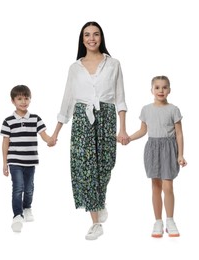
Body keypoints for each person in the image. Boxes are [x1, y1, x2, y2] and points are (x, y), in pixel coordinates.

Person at [48, 21, 129, 240]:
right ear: (82, 39)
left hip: (107, 117)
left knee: (105, 165)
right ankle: (95, 222)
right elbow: (67, 100)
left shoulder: (113, 64)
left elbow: (120, 98)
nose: (91, 38)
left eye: (95, 34)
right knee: (85, 169)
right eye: (87, 35)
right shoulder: (75, 67)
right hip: (82, 120)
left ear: (101, 37)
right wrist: (56, 132)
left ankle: (99, 200)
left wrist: (123, 128)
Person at [127, 75, 187, 238]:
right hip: (152, 148)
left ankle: (170, 220)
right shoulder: (146, 109)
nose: (161, 90)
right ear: (152, 90)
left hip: (169, 148)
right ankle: (158, 221)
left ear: (169, 90)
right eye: (158, 87)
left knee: (168, 186)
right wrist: (129, 138)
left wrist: (180, 154)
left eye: (164, 87)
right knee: (155, 186)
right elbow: (143, 130)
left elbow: (179, 134)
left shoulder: (174, 109)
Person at [0, 85, 52, 232]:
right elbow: (5, 143)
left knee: (29, 188)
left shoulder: (36, 119)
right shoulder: (8, 121)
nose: (23, 101)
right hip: (15, 160)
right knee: (18, 188)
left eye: (26, 98)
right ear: (13, 101)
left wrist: (50, 141)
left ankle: (27, 207)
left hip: (30, 161)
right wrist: (5, 163)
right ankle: (17, 215)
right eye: (20, 98)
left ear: (30, 99)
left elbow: (44, 136)